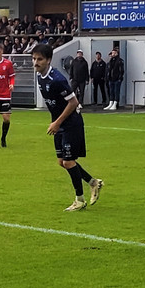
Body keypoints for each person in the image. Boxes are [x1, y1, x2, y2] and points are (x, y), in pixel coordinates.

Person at [32, 43, 103, 211]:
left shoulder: (57, 79)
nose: (36, 62)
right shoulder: (39, 77)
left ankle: (80, 200)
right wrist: (55, 122)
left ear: (48, 60)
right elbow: (54, 104)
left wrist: (57, 122)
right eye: (34, 59)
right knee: (62, 162)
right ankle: (94, 183)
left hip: (71, 124)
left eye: (40, 59)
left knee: (69, 162)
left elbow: (73, 102)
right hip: (60, 124)